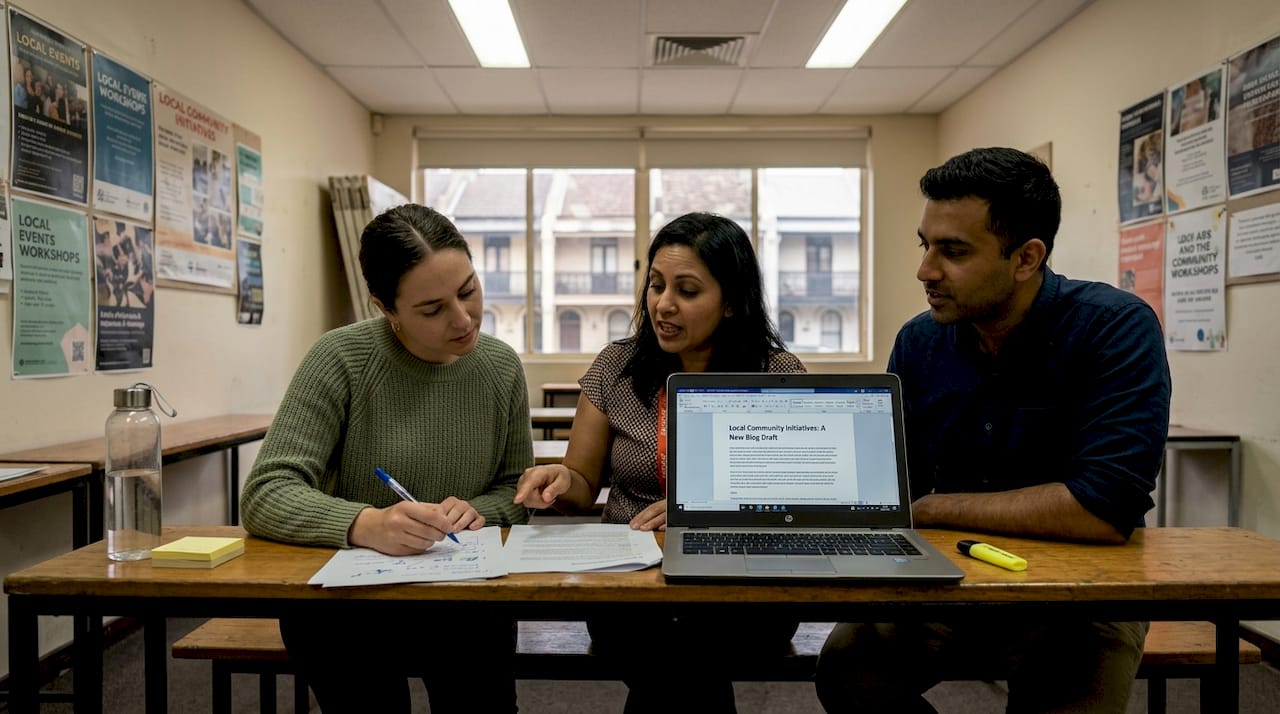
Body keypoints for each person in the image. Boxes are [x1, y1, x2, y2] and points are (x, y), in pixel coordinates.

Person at [814, 147, 1171, 713]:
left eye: (952, 251)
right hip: (946, 579)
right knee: (846, 673)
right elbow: (887, 486)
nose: (925, 270)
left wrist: (932, 508)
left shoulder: (1114, 328)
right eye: (924, 244)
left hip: (1078, 599)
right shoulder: (920, 341)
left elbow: (1103, 509)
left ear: (1026, 257)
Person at [240, 203, 533, 713]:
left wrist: (481, 510)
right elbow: (267, 491)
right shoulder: (341, 358)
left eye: (468, 291)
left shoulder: (501, 367)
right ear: (385, 308)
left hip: (462, 603)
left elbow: (515, 489)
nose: (463, 319)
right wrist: (364, 523)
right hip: (351, 608)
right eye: (432, 309)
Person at [514, 211, 805, 713]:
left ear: (732, 301)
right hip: (633, 583)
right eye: (655, 285)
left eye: (687, 291)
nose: (662, 305)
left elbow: (806, 496)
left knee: (680, 663)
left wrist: (706, 515)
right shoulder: (616, 367)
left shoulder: (775, 372)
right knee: (677, 659)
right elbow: (583, 480)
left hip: (746, 578)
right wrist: (560, 480)